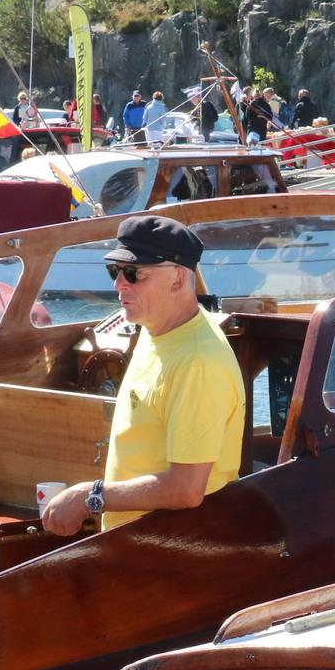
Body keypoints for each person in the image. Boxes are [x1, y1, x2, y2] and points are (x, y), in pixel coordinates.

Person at [40, 216, 245, 537]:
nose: (118, 284)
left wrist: (90, 497)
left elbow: (186, 489)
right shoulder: (156, 332)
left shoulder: (198, 361)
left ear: (178, 278)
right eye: (115, 271)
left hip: (171, 556)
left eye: (134, 273)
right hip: (139, 548)